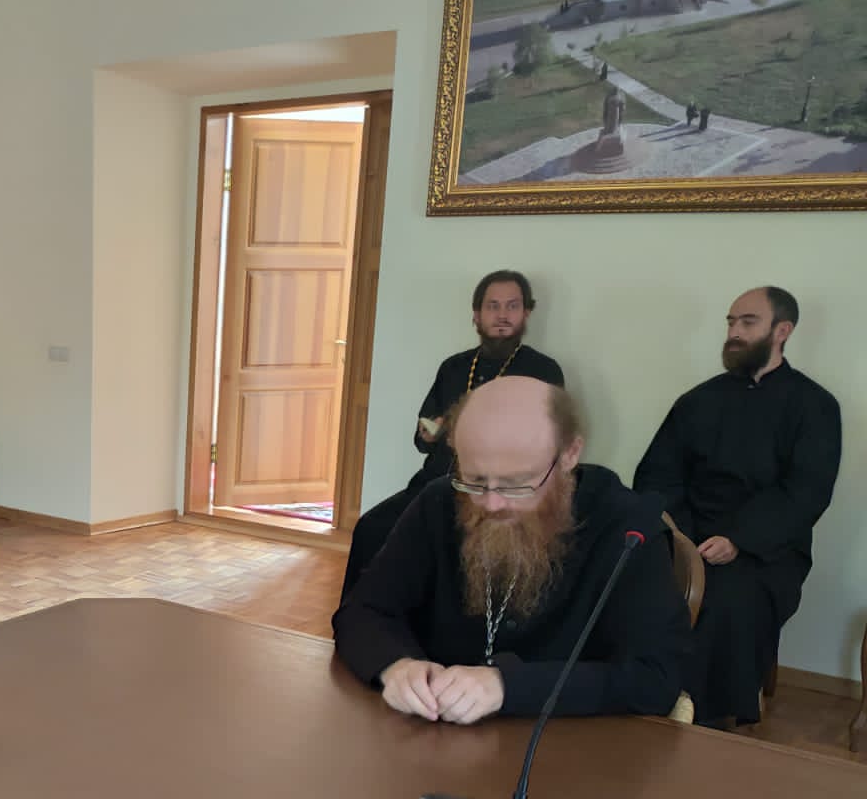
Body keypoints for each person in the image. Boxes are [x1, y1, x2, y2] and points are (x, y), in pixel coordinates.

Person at [334, 376, 689, 725]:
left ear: (569, 453)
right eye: (475, 480)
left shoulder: (627, 529)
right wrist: (396, 665)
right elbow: (362, 609)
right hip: (433, 735)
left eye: (516, 484)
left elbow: (655, 676)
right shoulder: (440, 502)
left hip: (567, 746)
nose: (491, 504)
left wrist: (507, 686)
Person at [633, 286, 840, 727]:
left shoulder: (815, 407)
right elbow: (657, 475)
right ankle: (635, 693)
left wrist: (738, 540)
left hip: (764, 550)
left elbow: (805, 492)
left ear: (782, 331)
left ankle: (699, 715)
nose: (734, 332)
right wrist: (682, 537)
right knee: (629, 579)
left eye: (748, 322)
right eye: (731, 322)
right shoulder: (697, 401)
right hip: (687, 535)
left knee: (727, 600)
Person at [340, 271, 565, 602]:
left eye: (512, 306)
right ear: (476, 315)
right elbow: (422, 438)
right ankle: (360, 615)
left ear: (526, 313)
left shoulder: (543, 371)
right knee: (371, 528)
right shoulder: (454, 368)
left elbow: (549, 444)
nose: (502, 315)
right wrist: (429, 435)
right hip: (434, 485)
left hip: (495, 493)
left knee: (450, 551)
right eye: (493, 306)